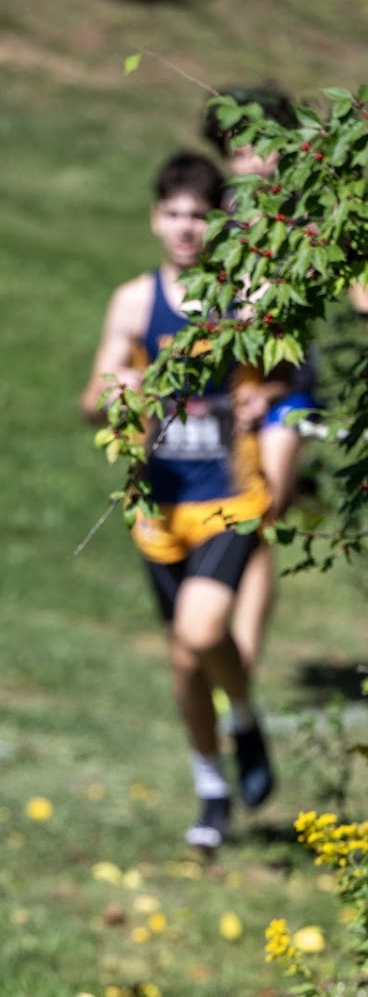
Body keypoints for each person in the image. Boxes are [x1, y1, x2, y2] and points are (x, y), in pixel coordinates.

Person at [81, 150, 277, 851]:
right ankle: (213, 786)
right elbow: (92, 399)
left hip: (229, 497)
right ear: (155, 219)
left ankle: (244, 717)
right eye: (174, 213)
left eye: (199, 215)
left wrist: (266, 395)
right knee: (186, 661)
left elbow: (292, 375)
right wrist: (120, 391)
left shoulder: (247, 294)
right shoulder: (136, 302)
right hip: (157, 509)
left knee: (200, 630)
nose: (187, 227)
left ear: (220, 220)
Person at [201, 84, 319, 676]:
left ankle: (241, 663)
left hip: (287, 387)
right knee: (234, 511)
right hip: (232, 386)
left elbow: (313, 330)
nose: (246, 161)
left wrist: (272, 389)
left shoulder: (308, 214)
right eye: (235, 151)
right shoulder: (221, 217)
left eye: (255, 146)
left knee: (263, 514)